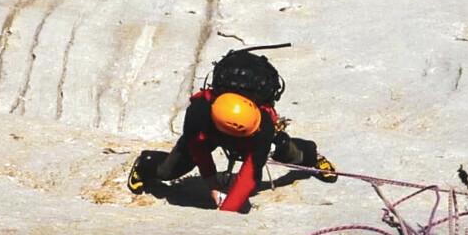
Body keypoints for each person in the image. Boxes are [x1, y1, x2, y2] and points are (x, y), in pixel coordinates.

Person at [127, 44, 337, 212]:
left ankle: (312, 155)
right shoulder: (200, 112)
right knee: (169, 170)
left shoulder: (262, 126)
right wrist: (212, 183)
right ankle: (145, 164)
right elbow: (197, 149)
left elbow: (250, 173)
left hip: (244, 135)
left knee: (286, 150)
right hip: (211, 132)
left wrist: (229, 208)